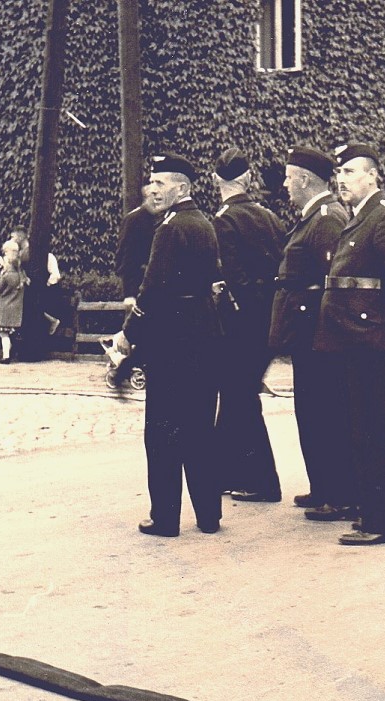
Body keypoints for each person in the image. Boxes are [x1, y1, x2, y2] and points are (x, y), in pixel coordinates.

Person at [313, 143, 385, 545]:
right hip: (357, 341)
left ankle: (380, 523)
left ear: (372, 175)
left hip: (372, 342)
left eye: (351, 172)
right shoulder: (361, 217)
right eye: (339, 173)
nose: (342, 179)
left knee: (376, 431)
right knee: (374, 428)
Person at [131, 152, 223, 537]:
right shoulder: (203, 223)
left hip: (172, 339)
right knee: (200, 428)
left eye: (161, 182)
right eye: (152, 182)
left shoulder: (170, 228)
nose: (153, 189)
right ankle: (209, 515)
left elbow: (152, 288)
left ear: (181, 187)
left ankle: (165, 518)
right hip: (204, 331)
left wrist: (129, 332)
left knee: (163, 431)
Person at [270, 145, 356, 519]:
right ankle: (322, 486)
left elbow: (333, 282)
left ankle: (339, 494)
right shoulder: (314, 217)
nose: (285, 185)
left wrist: (325, 334)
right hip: (306, 335)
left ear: (305, 180)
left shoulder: (327, 218)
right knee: (311, 412)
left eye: (289, 178)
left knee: (326, 414)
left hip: (319, 335)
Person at [211, 146, 285, 503]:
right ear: (248, 179)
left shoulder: (223, 220)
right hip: (269, 321)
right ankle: (225, 473)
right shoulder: (268, 217)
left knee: (240, 398)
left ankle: (263, 481)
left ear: (216, 180)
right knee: (236, 396)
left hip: (239, 326)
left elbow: (231, 278)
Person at [113, 184, 166, 387]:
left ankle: (130, 367)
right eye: (153, 195)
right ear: (147, 196)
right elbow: (126, 257)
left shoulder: (158, 219)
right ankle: (123, 367)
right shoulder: (135, 219)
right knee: (137, 329)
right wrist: (129, 292)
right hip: (138, 284)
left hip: (151, 283)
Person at [0, 240, 28, 364]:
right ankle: (9, 352)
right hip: (16, 308)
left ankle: (6, 356)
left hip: (4, 307)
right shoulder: (21, 276)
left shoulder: (7, 276)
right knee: (8, 334)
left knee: (3, 333)